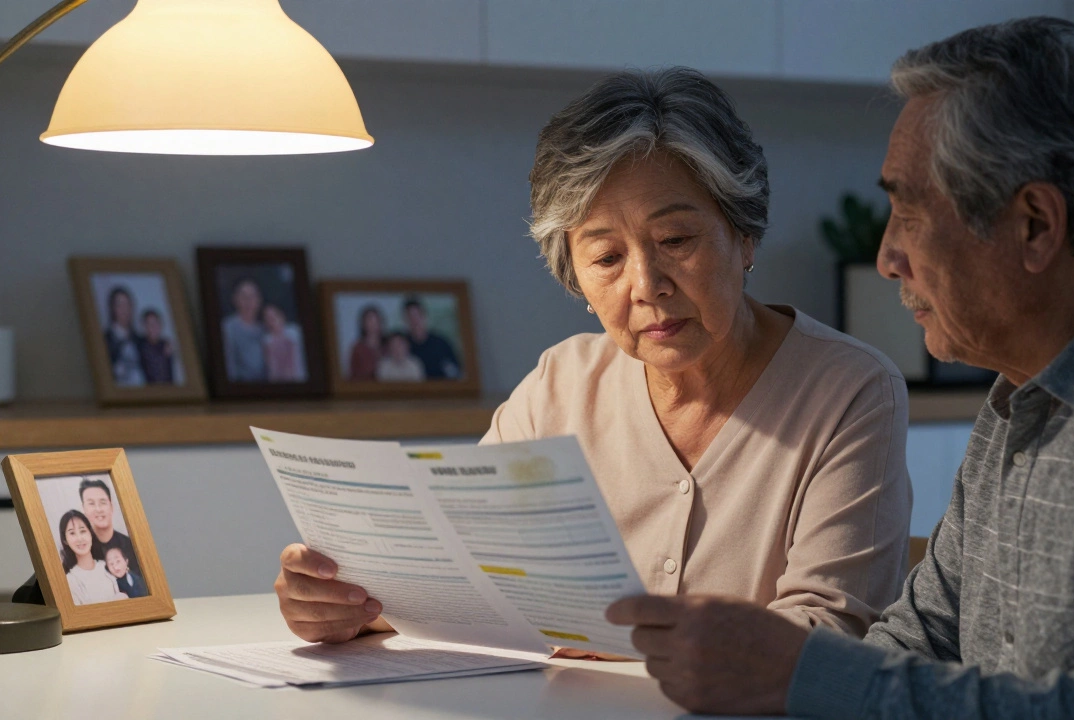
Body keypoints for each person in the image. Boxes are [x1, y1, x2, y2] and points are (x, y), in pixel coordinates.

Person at [605, 17, 1074, 719]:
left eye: (911, 214)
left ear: (1036, 226)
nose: (888, 256)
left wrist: (797, 674)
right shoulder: (1018, 397)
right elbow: (920, 639)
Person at [273, 67, 914, 646]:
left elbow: (831, 633)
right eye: (606, 258)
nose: (646, 284)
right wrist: (349, 602)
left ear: (744, 236)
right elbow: (467, 585)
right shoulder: (559, 386)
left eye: (676, 239)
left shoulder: (850, 390)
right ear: (574, 278)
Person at [59, 509, 127, 605]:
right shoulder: (71, 580)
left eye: (82, 531)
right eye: (72, 533)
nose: (79, 538)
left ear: (90, 533)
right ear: (65, 540)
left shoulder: (106, 566)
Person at [79, 477, 136, 573]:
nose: (98, 509)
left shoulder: (130, 545)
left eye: (103, 502)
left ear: (111, 506)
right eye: (91, 503)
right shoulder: (81, 549)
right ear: (83, 509)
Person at [222, 276, 267, 382]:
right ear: (235, 299)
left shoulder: (265, 328)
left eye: (252, 296)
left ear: (259, 300)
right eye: (244, 296)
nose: (248, 301)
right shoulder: (227, 328)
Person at [403, 299, 461, 379]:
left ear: (424, 316)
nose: (415, 321)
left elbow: (456, 372)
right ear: (405, 320)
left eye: (417, 316)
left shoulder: (441, 344)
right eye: (410, 317)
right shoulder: (402, 346)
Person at [102, 286, 146, 387]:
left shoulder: (140, 340)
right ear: (112, 308)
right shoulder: (106, 340)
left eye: (127, 305)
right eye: (120, 305)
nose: (124, 310)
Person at [261, 303, 306, 383]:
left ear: (281, 316)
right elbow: (271, 367)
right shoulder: (267, 341)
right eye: (268, 318)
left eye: (273, 316)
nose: (271, 320)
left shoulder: (295, 331)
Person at [137, 308, 175, 384]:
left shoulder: (166, 344)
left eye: (156, 323)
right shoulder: (140, 346)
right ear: (144, 326)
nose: (154, 327)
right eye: (150, 324)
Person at [347, 305, 384, 381]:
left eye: (376, 320)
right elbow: (352, 375)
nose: (373, 324)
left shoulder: (388, 345)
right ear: (363, 324)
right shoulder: (357, 349)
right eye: (370, 320)